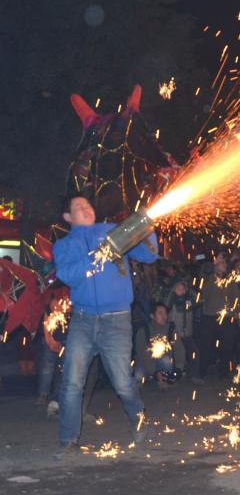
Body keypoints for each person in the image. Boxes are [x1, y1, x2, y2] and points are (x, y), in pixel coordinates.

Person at [52, 192, 158, 456]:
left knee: (123, 382)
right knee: (72, 383)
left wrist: (146, 227)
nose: (86, 208)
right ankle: (68, 442)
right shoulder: (64, 245)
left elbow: (149, 256)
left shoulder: (113, 231)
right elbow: (68, 275)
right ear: (68, 217)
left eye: (87, 204)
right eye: (78, 206)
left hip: (117, 321)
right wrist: (97, 256)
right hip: (83, 321)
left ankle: (140, 421)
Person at [196, 252, 240, 379]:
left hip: (227, 318)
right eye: (221, 262)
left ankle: (224, 373)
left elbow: (236, 297)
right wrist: (214, 263)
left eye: (225, 262)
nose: (224, 264)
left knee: (227, 346)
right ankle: (202, 373)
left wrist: (235, 311)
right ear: (215, 264)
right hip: (210, 316)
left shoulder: (231, 279)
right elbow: (202, 271)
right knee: (205, 345)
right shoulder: (208, 277)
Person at [133, 303, 180, 387]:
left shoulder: (171, 329)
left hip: (163, 361)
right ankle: (152, 377)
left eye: (165, 313)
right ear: (152, 316)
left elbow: (180, 349)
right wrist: (154, 372)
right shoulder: (143, 331)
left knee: (167, 361)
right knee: (138, 377)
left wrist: (179, 369)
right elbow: (142, 355)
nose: (164, 316)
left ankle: (163, 380)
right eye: (160, 313)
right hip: (146, 362)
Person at [165, 279, 202, 383]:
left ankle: (194, 375)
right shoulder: (171, 300)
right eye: (178, 289)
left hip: (187, 334)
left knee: (194, 352)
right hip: (175, 334)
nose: (181, 291)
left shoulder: (189, 300)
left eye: (183, 289)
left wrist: (189, 290)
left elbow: (199, 300)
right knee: (177, 355)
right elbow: (166, 306)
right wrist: (172, 293)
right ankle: (173, 377)